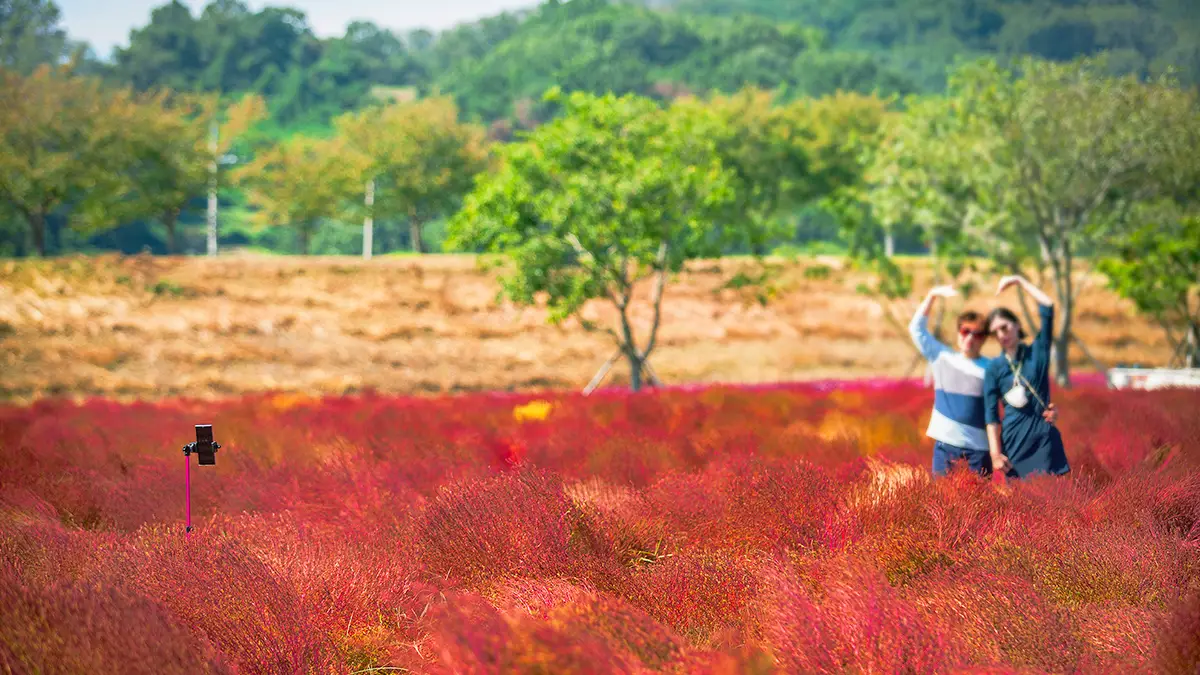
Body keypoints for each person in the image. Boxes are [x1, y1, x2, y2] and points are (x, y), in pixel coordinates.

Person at [910, 284, 1057, 478]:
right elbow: (916, 329)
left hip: (979, 451)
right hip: (945, 447)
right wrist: (931, 295)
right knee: (941, 501)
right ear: (958, 333)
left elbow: (1019, 396)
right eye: (965, 331)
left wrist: (1046, 411)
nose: (970, 338)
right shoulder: (941, 357)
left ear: (985, 339)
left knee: (976, 505)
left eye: (978, 334)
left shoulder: (992, 368)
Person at [982, 275, 1070, 479]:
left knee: (1052, 501)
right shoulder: (994, 368)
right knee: (1021, 504)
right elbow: (991, 415)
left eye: (1004, 327)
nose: (1001, 335)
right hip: (1014, 443)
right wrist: (995, 454)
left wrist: (1019, 281)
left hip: (1044, 440)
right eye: (995, 333)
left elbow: (1048, 307)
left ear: (1017, 325)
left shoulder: (1037, 353)